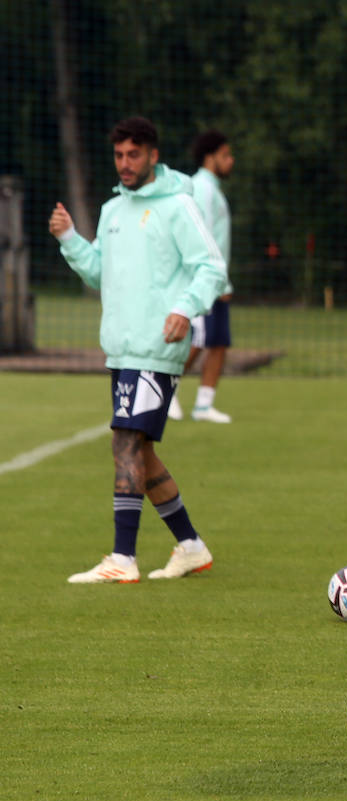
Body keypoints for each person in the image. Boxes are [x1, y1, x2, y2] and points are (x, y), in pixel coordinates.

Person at [50, 116, 225, 583]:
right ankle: (190, 546)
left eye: (133, 155)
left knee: (124, 442)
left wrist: (185, 309)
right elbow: (99, 275)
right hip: (122, 350)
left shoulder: (179, 205)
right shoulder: (112, 210)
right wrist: (69, 239)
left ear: (153, 155)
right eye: (118, 156)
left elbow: (211, 267)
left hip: (156, 349)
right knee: (140, 454)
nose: (124, 164)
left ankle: (122, 558)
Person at [169, 129, 235, 423]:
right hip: (203, 282)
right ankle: (164, 394)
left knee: (219, 342)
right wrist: (210, 280)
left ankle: (204, 405)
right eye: (226, 155)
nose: (231, 161)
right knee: (197, 340)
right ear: (211, 157)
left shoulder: (213, 188)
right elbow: (201, 236)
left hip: (217, 280)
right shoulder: (202, 189)